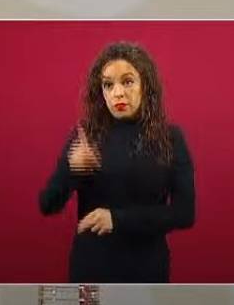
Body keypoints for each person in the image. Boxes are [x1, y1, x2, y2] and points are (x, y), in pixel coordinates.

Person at [38, 41, 195, 283]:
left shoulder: (171, 138)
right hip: (92, 269)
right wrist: (72, 170)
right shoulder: (86, 137)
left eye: (128, 82)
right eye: (108, 85)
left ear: (146, 86)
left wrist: (117, 219)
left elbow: (184, 214)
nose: (117, 93)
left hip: (147, 270)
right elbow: (47, 204)